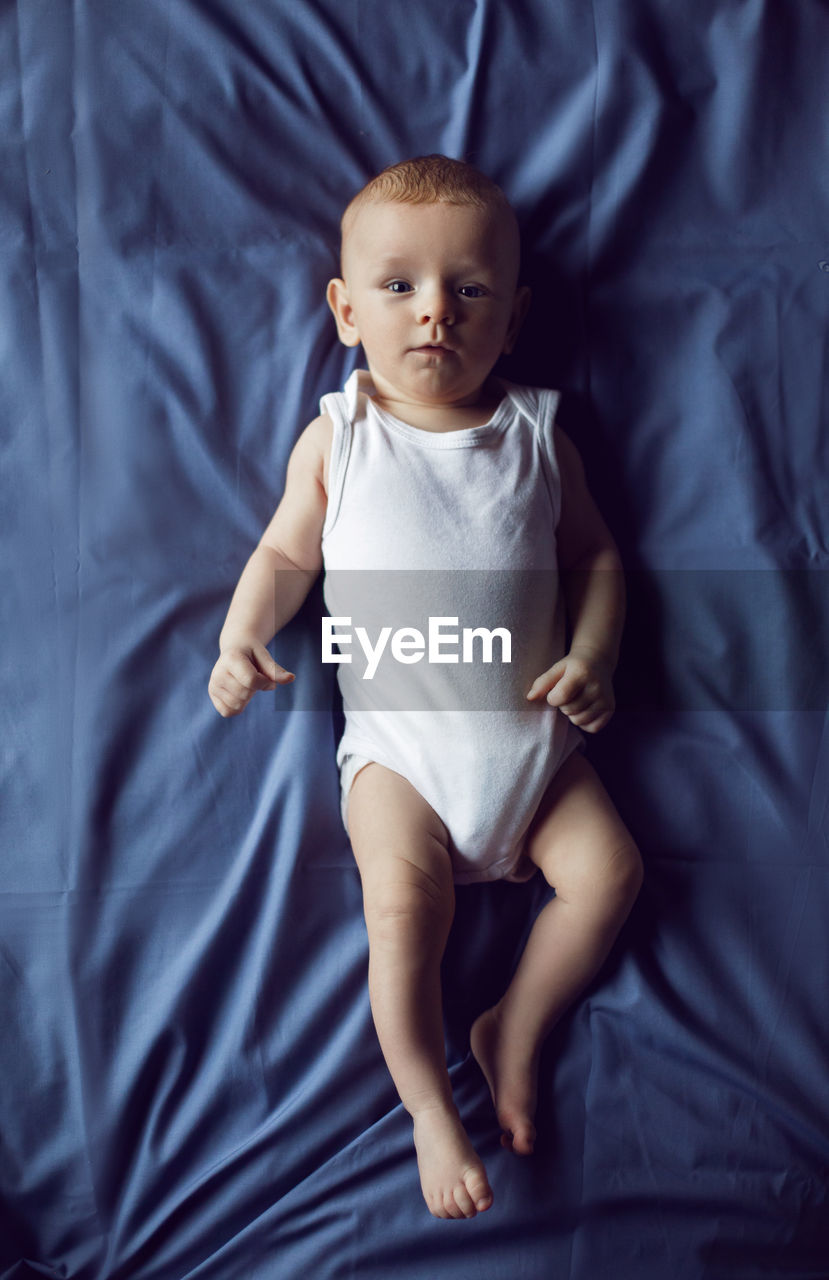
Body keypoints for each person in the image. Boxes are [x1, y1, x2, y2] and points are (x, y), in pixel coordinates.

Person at [208, 155, 643, 1221]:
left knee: (610, 873)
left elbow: (595, 560)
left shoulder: (540, 434)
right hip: (400, 756)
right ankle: (426, 1105)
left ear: (515, 314)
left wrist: (590, 656)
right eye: (399, 287)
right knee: (403, 912)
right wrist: (240, 638)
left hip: (533, 749)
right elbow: (280, 558)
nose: (435, 311)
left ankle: (514, 1023)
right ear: (345, 309)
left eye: (470, 289)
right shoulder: (341, 436)